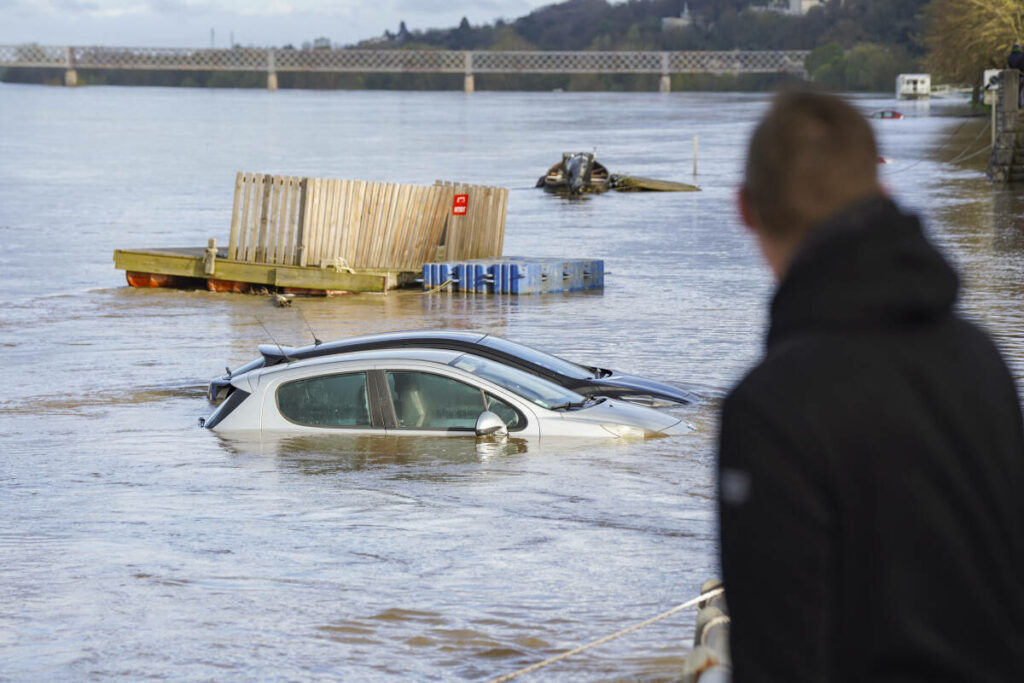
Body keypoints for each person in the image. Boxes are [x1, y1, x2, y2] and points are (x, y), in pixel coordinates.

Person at [718, 89, 1024, 680]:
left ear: (745, 210)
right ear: (883, 194)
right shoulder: (982, 357)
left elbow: (778, 661)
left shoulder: (771, 409)